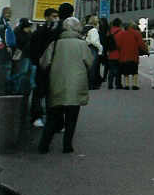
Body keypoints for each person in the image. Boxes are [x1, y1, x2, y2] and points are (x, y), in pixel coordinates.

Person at [38, 17, 93, 154]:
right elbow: (89, 62)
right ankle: (67, 146)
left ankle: (44, 145)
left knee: (53, 116)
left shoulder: (55, 44)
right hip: (76, 84)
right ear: (76, 28)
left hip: (57, 83)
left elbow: (44, 63)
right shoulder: (82, 44)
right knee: (72, 118)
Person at [29, 8, 60, 127]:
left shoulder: (57, 32)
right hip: (41, 67)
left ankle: (51, 119)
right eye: (53, 16)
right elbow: (33, 50)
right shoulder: (39, 32)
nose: (55, 18)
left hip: (53, 67)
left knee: (51, 94)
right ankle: (37, 116)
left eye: (57, 16)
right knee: (39, 92)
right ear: (46, 17)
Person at [116, 21, 147, 90]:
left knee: (125, 72)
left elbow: (118, 45)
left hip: (123, 56)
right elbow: (141, 44)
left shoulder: (121, 34)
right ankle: (135, 85)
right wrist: (145, 50)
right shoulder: (137, 33)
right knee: (134, 71)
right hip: (134, 56)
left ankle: (126, 85)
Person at [10, 18, 35, 96]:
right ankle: (14, 86)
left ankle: (22, 88)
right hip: (21, 55)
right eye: (27, 27)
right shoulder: (17, 33)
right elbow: (17, 44)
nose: (29, 28)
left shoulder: (28, 33)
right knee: (21, 72)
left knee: (27, 71)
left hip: (28, 55)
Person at [0, 6, 16, 93]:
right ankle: (1, 90)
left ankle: (3, 89)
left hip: (7, 51)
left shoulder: (7, 23)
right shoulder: (0, 22)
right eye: (8, 13)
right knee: (1, 71)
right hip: (2, 52)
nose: (9, 15)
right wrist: (2, 47)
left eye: (10, 13)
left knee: (6, 71)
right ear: (3, 13)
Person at [84, 15, 103, 89]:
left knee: (86, 67)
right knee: (93, 67)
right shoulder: (93, 30)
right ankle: (92, 84)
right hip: (92, 48)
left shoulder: (84, 28)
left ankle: (86, 83)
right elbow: (94, 41)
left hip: (84, 47)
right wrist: (100, 48)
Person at [104, 18, 124, 89]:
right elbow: (122, 44)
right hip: (118, 53)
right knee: (118, 70)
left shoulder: (109, 31)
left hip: (110, 53)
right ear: (120, 24)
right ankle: (118, 84)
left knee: (111, 70)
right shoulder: (121, 32)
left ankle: (110, 84)